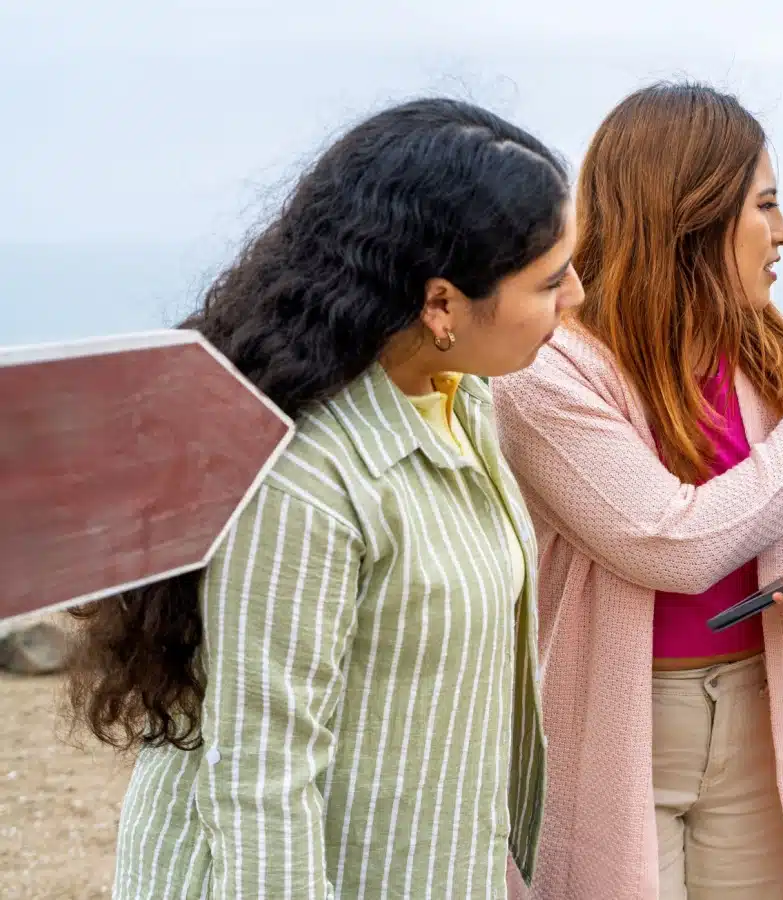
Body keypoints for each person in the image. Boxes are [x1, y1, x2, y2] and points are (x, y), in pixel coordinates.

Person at [67, 97, 584, 899]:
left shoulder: (459, 398)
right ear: (440, 304)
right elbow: (260, 779)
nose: (576, 296)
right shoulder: (305, 477)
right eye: (550, 280)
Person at [493, 81, 783, 899]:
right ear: (692, 212)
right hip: (614, 728)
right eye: (766, 205)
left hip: (761, 710)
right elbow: (668, 544)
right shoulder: (549, 375)